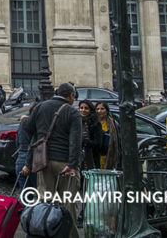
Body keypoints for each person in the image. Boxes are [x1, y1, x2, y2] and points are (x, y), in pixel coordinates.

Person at [21, 83, 83, 238]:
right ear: (71, 95)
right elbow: (75, 141)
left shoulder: (40, 107)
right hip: (65, 163)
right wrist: (73, 165)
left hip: (44, 161)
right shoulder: (72, 112)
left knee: (45, 201)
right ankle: (69, 235)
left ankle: (44, 232)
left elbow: (28, 128)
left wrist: (24, 120)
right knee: (68, 204)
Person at [15, 111, 37, 192]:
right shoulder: (37, 126)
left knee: (24, 193)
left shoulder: (22, 124)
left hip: (20, 159)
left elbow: (17, 142)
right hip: (33, 162)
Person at [94, 102, 120, 170]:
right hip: (96, 154)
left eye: (102, 109)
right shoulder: (93, 122)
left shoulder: (113, 124)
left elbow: (117, 140)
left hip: (108, 154)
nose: (99, 111)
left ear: (107, 110)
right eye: (97, 109)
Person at [78, 100, 99, 170]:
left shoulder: (95, 124)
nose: (83, 110)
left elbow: (98, 143)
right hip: (78, 158)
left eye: (86, 108)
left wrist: (83, 141)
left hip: (91, 157)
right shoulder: (76, 122)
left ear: (90, 110)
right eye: (81, 108)